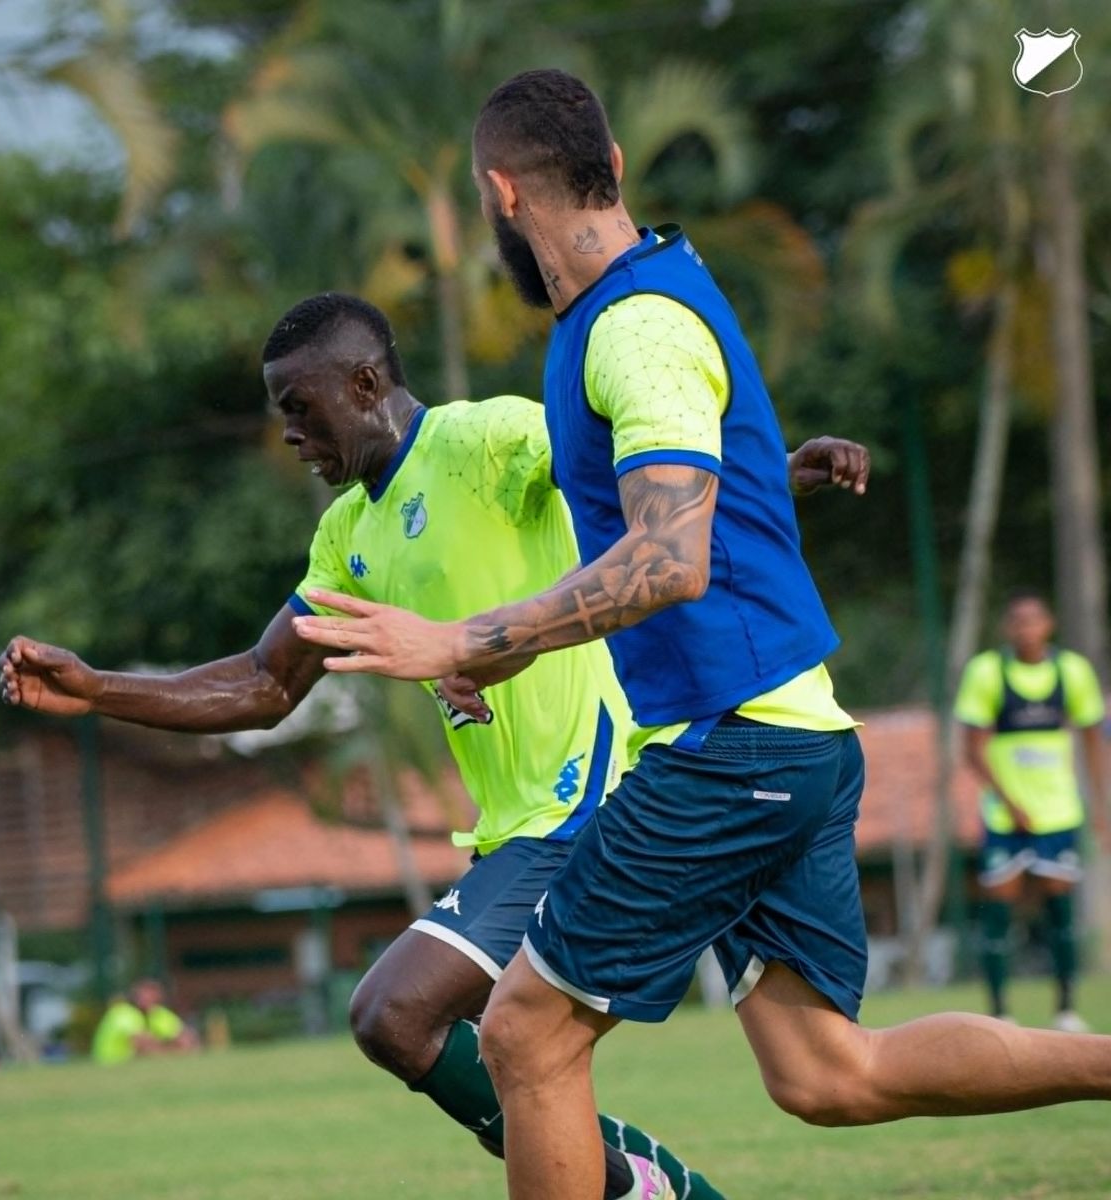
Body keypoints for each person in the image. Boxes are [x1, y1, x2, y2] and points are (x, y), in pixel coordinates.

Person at [288, 70, 1111, 1200]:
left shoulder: (634, 326)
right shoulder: (625, 313)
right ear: (615, 166)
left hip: (738, 748)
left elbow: (668, 559)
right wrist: (510, 652)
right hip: (793, 738)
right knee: (829, 1074)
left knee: (525, 1035)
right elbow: (672, 529)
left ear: (500, 197)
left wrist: (467, 639)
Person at [0, 293, 868, 1200]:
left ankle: (642, 1184)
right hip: (517, 827)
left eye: (300, 408)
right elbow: (266, 684)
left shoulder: (482, 442)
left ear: (366, 382)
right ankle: (642, 1184)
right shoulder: (348, 534)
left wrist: (778, 471)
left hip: (591, 799)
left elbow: (638, 468)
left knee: (395, 1012)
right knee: (478, 1044)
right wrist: (99, 688)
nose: (290, 435)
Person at [955, 590, 1108, 1031]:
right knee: (998, 910)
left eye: (1034, 620)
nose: (1026, 629)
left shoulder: (1072, 671)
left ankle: (1066, 1007)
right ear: (1007, 628)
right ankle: (1000, 1010)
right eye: (1017, 621)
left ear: (1049, 625)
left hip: (1059, 813)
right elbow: (972, 748)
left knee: (1060, 908)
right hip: (1006, 817)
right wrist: (1008, 801)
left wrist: (1101, 807)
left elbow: (1094, 739)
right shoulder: (987, 672)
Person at [91, 978, 199, 1065]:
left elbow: (187, 1039)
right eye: (145, 995)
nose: (150, 998)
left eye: (153, 995)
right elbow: (144, 1047)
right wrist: (175, 1052)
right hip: (112, 1065)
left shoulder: (158, 1013)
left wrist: (180, 1046)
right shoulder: (122, 1012)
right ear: (135, 996)